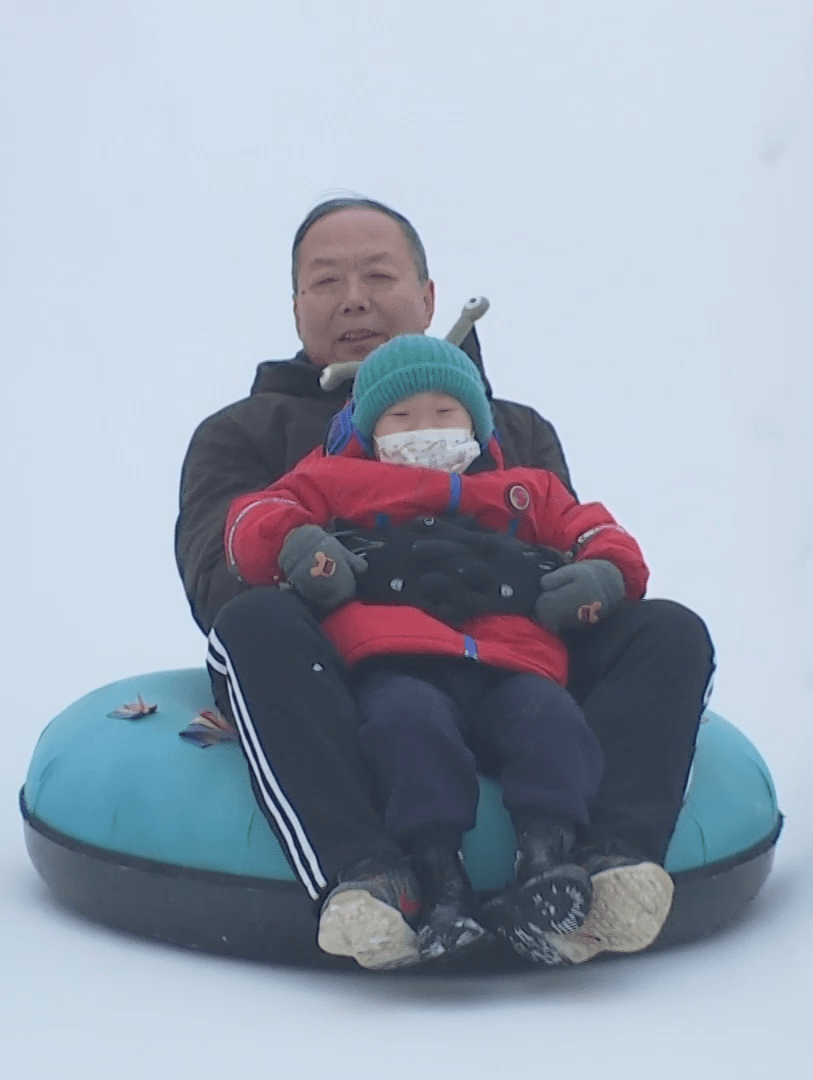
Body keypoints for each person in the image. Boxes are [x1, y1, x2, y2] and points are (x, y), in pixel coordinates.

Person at [175, 196, 715, 967]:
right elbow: (218, 577)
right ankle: (369, 877)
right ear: (296, 306)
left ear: (428, 299)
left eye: (378, 274)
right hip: (357, 681)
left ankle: (602, 869)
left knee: (668, 630)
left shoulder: (513, 434)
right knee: (254, 626)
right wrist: (358, 567)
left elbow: (573, 554)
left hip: (508, 669)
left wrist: (567, 579)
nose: (353, 297)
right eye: (325, 281)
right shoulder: (247, 432)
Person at [223, 334, 647, 967]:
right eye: (401, 416)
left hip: (512, 664)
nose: (424, 429)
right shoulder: (337, 478)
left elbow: (597, 530)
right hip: (400, 662)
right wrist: (297, 543)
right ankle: (436, 874)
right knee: (406, 728)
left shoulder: (524, 490)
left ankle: (547, 859)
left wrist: (604, 573)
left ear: (476, 420)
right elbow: (254, 514)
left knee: (552, 723)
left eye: (445, 413)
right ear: (368, 429)